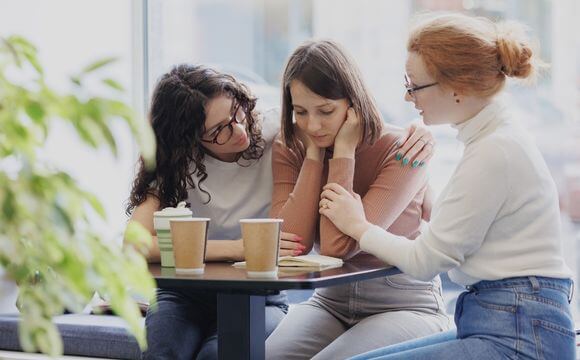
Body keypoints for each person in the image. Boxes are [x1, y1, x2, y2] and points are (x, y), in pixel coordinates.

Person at [319, 13, 575, 360]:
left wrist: (357, 225)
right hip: (507, 321)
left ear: (459, 87)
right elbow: (468, 233)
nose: (409, 97)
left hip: (518, 335)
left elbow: (426, 262)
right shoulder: (496, 140)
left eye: (414, 85)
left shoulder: (494, 151)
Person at [265, 39, 451, 360]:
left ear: (353, 103)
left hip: (406, 303)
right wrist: (312, 156)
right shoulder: (291, 144)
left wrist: (344, 153)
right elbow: (291, 243)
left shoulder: (403, 150)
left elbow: (341, 246)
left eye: (326, 110)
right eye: (300, 112)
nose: (313, 125)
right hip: (330, 301)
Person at [125, 64, 292, 360]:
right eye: (218, 131)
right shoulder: (175, 160)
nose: (239, 130)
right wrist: (237, 249)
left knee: (216, 355)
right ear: (190, 141)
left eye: (236, 112)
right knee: (163, 354)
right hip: (183, 294)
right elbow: (134, 244)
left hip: (257, 296)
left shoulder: (274, 131)